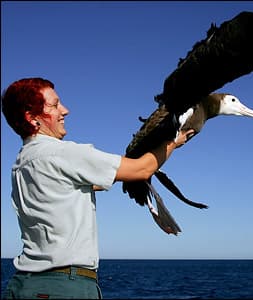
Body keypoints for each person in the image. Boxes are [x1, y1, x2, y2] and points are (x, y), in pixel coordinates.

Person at [1, 77, 194, 299]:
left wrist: (120, 174)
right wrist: (174, 142)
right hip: (62, 287)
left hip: (23, 285)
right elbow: (142, 169)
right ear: (32, 117)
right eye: (54, 106)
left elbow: (80, 185)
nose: (65, 110)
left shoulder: (21, 163)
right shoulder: (62, 154)